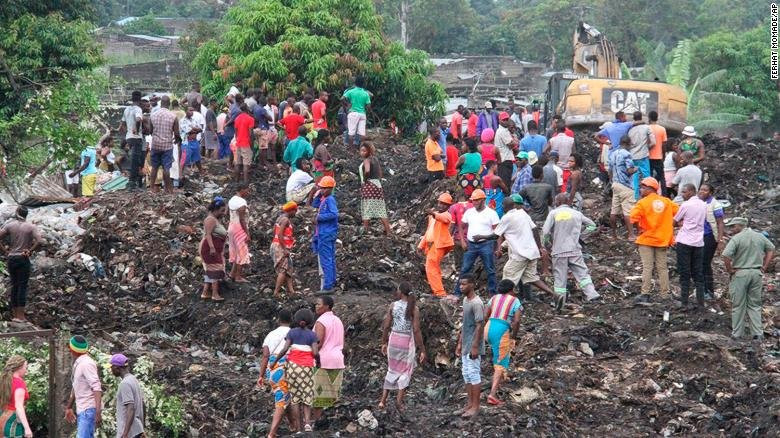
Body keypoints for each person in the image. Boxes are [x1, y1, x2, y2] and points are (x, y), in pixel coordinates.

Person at [542, 194, 600, 309]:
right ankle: (592, 295)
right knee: (582, 274)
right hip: (575, 250)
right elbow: (592, 225)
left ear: (557, 202)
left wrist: (546, 244)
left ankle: (560, 302)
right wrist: (582, 237)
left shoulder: (553, 213)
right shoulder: (576, 213)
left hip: (559, 251)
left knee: (560, 278)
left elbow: (545, 232)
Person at [722, 217, 775, 339]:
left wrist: (730, 270)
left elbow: (726, 255)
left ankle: (737, 334)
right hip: (756, 274)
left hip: (741, 273)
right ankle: (757, 333)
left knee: (738, 305)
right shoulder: (759, 236)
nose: (732, 229)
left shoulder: (737, 238)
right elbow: (771, 249)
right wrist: (764, 266)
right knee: (755, 305)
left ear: (740, 226)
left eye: (733, 226)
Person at [493, 197, 554, 298]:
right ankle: (554, 295)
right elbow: (534, 229)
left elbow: (496, 235)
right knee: (531, 278)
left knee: (508, 276)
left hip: (520, 254)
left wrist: (481, 237)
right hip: (532, 252)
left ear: (504, 206)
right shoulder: (523, 214)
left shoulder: (506, 217)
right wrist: (539, 247)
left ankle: (506, 301)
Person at [270, 309, 319, 433]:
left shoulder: (291, 332)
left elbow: (284, 349)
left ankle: (298, 428)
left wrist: (274, 362)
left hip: (292, 368)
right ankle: (307, 424)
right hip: (307, 368)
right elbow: (315, 352)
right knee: (307, 396)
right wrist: (318, 362)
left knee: (295, 398)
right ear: (310, 321)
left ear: (296, 320)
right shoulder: (312, 335)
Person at [629, 177, 678, 300]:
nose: (640, 190)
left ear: (649, 189)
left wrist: (638, 229)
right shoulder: (667, 202)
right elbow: (680, 213)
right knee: (662, 268)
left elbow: (632, 218)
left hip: (646, 239)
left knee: (647, 267)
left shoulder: (642, 203)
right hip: (662, 240)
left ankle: (645, 294)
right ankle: (665, 294)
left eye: (642, 188)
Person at [380, 282, 425, 410]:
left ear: (400, 292)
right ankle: (399, 402)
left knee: (391, 369)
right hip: (406, 342)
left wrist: (384, 342)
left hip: (393, 340)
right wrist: (422, 349)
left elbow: (386, 326)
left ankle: (382, 401)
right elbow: (416, 330)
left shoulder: (393, 305)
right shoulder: (414, 309)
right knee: (406, 371)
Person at [0, 207, 43, 323]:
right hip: (23, 258)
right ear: (26, 215)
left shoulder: (10, 225)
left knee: (14, 286)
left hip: (12, 258)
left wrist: (5, 251)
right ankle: (21, 317)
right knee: (22, 286)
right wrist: (30, 250)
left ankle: (15, 316)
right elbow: (40, 241)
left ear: (17, 213)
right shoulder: (31, 227)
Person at [482, 279, 521, 406]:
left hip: (488, 327)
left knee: (496, 355)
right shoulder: (515, 300)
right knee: (501, 362)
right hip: (501, 329)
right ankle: (492, 395)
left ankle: (500, 380)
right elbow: (517, 321)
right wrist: (513, 337)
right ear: (511, 290)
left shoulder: (494, 298)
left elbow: (485, 315)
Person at [257, 309, 295, 437]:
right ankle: (271, 434)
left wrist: (261, 375)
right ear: (291, 320)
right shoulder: (293, 333)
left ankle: (293, 426)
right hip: (286, 369)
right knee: (281, 401)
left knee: (285, 397)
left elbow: (265, 356)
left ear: (278, 320)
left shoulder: (270, 335)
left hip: (272, 370)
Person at [454, 189, 499, 296]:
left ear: (483, 200)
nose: (474, 202)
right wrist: (463, 241)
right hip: (471, 245)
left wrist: (498, 247)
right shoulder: (469, 212)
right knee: (465, 268)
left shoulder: (491, 213)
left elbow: (497, 232)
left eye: (476, 200)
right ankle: (458, 293)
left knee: (490, 269)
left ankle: (493, 293)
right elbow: (461, 226)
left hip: (486, 244)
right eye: (473, 200)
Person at [673, 183, 707, 308]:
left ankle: (684, 302)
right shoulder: (704, 205)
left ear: (691, 192)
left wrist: (681, 224)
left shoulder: (686, 205)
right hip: (698, 243)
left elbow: (674, 221)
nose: (682, 194)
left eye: (684, 192)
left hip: (685, 242)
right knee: (698, 273)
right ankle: (700, 302)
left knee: (684, 272)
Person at [312, 296, 345, 422]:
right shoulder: (338, 320)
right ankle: (331, 423)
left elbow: (318, 343)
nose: (316, 306)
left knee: (319, 396)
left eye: (318, 304)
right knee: (333, 395)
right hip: (338, 360)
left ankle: (317, 423)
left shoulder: (321, 321)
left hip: (323, 361)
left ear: (327, 306)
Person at [455, 275, 484, 417]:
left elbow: (480, 325)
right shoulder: (466, 301)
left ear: (472, 284)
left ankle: (476, 407)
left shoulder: (477, 303)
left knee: (473, 373)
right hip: (466, 343)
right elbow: (465, 324)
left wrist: (475, 346)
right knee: (466, 373)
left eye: (464, 284)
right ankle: (470, 403)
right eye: (460, 284)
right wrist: (460, 343)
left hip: (473, 344)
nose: (461, 287)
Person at [418, 193, 455, 298]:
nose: (441, 205)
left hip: (438, 245)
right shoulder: (432, 216)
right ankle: (437, 291)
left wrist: (433, 214)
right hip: (432, 245)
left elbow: (443, 218)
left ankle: (440, 293)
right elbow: (428, 231)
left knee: (431, 268)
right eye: (440, 203)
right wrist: (421, 246)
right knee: (434, 268)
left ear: (448, 206)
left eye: (444, 204)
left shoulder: (447, 215)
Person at [64, 336, 102, 438]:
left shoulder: (86, 364)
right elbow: (76, 387)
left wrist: (98, 412)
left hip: (88, 410)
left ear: (73, 350)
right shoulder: (79, 363)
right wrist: (68, 408)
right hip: (84, 410)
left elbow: (96, 387)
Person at [148, 96, 181, 194]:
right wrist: (177, 140)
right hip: (167, 146)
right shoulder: (173, 116)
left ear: (160, 103)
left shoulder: (153, 115)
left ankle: (151, 188)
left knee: (154, 167)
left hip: (155, 145)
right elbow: (176, 133)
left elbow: (150, 131)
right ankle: (167, 189)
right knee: (166, 168)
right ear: (169, 104)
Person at [311, 176, 339, 293]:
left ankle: (328, 286)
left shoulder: (330, 200)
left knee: (326, 260)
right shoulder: (324, 199)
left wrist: (319, 217)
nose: (322, 190)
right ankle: (331, 282)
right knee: (330, 259)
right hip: (325, 233)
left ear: (330, 189)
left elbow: (334, 214)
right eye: (321, 188)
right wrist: (317, 195)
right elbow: (314, 204)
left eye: (324, 188)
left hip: (326, 234)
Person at [699, 184, 725, 299]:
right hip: (698, 236)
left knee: (705, 263)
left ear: (710, 193)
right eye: (701, 189)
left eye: (705, 190)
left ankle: (708, 290)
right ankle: (702, 289)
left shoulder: (715, 204)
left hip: (710, 236)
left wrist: (720, 239)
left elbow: (720, 223)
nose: (702, 192)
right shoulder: (698, 203)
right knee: (699, 263)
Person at [359, 144, 391, 235]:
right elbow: (380, 173)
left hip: (369, 186)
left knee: (366, 208)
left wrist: (365, 180)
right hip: (377, 185)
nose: (362, 153)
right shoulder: (375, 159)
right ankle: (388, 231)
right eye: (361, 151)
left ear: (368, 151)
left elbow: (367, 171)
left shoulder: (366, 160)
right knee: (381, 209)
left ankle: (365, 231)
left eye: (364, 151)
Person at [109, 354, 144, 438]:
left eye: (111, 367)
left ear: (117, 368)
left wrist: (125, 433)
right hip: (137, 429)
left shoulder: (125, 384)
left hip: (130, 432)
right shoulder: (133, 379)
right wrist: (142, 428)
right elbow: (143, 404)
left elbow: (130, 408)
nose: (111, 370)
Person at [199, 197, 227, 301]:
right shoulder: (210, 219)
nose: (223, 213)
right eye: (222, 211)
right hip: (210, 249)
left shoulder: (214, 219)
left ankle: (205, 292)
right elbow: (208, 234)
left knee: (210, 270)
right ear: (215, 209)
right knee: (216, 270)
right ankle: (215, 294)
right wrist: (212, 248)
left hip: (214, 249)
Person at [609, 136, 638, 239]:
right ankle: (631, 235)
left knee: (614, 211)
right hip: (626, 185)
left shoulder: (613, 154)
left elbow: (610, 170)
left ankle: (614, 235)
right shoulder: (627, 154)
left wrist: (612, 181)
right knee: (628, 211)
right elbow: (629, 171)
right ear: (627, 144)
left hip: (615, 184)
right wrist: (636, 169)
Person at [0, 355, 32, 438]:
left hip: (2, 416)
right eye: (25, 367)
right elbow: (19, 407)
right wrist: (27, 428)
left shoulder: (4, 380)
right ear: (19, 368)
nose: (26, 370)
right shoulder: (19, 383)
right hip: (13, 421)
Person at [271, 202, 298, 297]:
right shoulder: (285, 220)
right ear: (291, 210)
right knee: (283, 269)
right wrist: (285, 248)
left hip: (276, 245)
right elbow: (280, 234)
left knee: (289, 268)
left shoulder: (279, 218)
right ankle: (276, 292)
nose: (295, 213)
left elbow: (274, 231)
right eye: (295, 211)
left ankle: (291, 290)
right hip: (280, 247)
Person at [119, 91, 145, 190]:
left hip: (129, 137)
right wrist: (137, 130)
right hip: (136, 138)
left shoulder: (126, 109)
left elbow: (122, 123)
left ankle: (133, 181)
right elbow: (138, 119)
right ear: (140, 99)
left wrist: (127, 131)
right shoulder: (138, 109)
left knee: (132, 159)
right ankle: (132, 182)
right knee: (136, 161)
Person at [627, 111, 655, 199]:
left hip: (633, 157)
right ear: (641, 117)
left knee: (634, 178)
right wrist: (647, 148)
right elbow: (653, 142)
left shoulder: (630, 130)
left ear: (633, 118)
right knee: (647, 178)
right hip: (643, 156)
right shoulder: (647, 128)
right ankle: (649, 197)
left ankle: (635, 197)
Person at [228, 184, 251, 283]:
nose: (248, 192)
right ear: (242, 190)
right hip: (239, 228)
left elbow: (227, 213)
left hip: (231, 226)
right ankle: (238, 277)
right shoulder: (242, 202)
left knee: (236, 251)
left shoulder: (232, 200)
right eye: (247, 190)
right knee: (242, 251)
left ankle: (232, 274)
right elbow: (242, 220)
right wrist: (247, 233)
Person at [544, 124, 575, 191]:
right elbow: (574, 154)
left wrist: (550, 156)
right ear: (565, 130)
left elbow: (544, 151)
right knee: (566, 190)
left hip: (555, 169)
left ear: (556, 130)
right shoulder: (571, 140)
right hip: (568, 169)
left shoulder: (552, 140)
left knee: (556, 189)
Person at [343, 77, 372, 147]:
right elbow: (368, 106)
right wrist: (366, 111)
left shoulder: (351, 91)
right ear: (363, 84)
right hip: (362, 113)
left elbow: (342, 99)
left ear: (355, 83)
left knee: (351, 133)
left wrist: (347, 105)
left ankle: (351, 149)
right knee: (362, 133)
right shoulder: (365, 93)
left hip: (353, 112)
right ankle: (362, 148)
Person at [448, 192, 472, 271]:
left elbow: (452, 225)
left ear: (456, 198)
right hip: (471, 239)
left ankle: (459, 274)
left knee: (459, 264)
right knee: (470, 263)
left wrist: (447, 239)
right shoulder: (472, 206)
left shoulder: (453, 207)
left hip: (458, 239)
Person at [179, 106, 206, 176]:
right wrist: (194, 129)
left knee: (197, 157)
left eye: (192, 110)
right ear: (186, 111)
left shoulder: (193, 120)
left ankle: (201, 171)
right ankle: (180, 175)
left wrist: (194, 129)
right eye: (190, 110)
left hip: (195, 141)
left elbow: (200, 129)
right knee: (184, 159)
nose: (192, 112)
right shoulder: (182, 121)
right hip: (186, 142)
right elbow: (189, 131)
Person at [494, 112, 517, 188]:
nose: (506, 121)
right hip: (505, 160)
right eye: (504, 120)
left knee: (506, 182)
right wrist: (515, 141)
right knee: (506, 183)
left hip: (504, 160)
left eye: (507, 119)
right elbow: (511, 144)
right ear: (500, 120)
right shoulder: (503, 131)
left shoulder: (503, 130)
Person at [647, 111, 668, 195]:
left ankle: (650, 194)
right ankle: (665, 195)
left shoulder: (647, 128)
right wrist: (663, 156)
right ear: (657, 118)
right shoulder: (662, 129)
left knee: (649, 177)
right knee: (662, 177)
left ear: (649, 118)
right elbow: (664, 144)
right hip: (658, 157)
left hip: (648, 157)